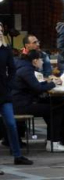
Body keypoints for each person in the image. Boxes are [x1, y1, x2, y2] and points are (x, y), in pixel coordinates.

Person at [11, 50, 64, 152]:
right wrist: (53, 83)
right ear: (35, 61)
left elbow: (34, 86)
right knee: (56, 110)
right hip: (21, 106)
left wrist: (48, 83)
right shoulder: (26, 70)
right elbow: (38, 88)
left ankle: (52, 140)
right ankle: (54, 143)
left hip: (19, 103)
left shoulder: (24, 67)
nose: (42, 62)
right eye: (41, 60)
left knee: (54, 104)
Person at [0, 23, 33, 165]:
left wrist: (8, 84)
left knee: (11, 124)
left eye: (1, 29)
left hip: (3, 92)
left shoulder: (5, 50)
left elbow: (12, 69)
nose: (0, 32)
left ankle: (17, 155)